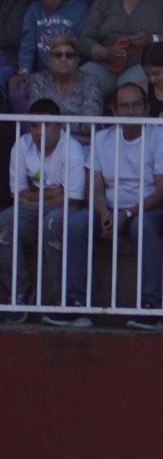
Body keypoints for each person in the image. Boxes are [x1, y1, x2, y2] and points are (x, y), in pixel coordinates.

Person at [88, 82, 163, 327]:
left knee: (142, 226)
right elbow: (95, 187)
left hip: (155, 211)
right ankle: (74, 304)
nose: (131, 111)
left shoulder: (162, 137)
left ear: (147, 107)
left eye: (137, 105)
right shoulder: (101, 138)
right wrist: (103, 214)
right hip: (112, 209)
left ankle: (150, 308)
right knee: (74, 223)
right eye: (125, 106)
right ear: (115, 110)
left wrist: (127, 215)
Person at [0, 98, 90, 325]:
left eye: (46, 124)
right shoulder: (21, 145)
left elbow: (74, 199)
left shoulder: (72, 148)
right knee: (4, 222)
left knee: (53, 223)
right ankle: (19, 294)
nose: (39, 131)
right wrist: (54, 192)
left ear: (58, 124)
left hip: (65, 208)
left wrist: (39, 196)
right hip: (34, 208)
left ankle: (61, 300)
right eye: (33, 125)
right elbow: (18, 195)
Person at [10, 0, 87, 112]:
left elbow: (83, 42)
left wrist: (72, 68)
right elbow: (28, 42)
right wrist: (24, 70)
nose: (50, 0)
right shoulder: (34, 10)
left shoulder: (79, 8)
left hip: (72, 71)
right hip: (43, 73)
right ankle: (27, 132)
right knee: (18, 88)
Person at [28, 33, 101, 138]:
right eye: (58, 55)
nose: (63, 59)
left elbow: (90, 125)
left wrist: (53, 127)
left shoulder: (90, 82)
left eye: (69, 55)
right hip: (46, 143)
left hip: (81, 145)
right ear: (50, 59)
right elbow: (36, 120)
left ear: (77, 60)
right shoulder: (39, 81)